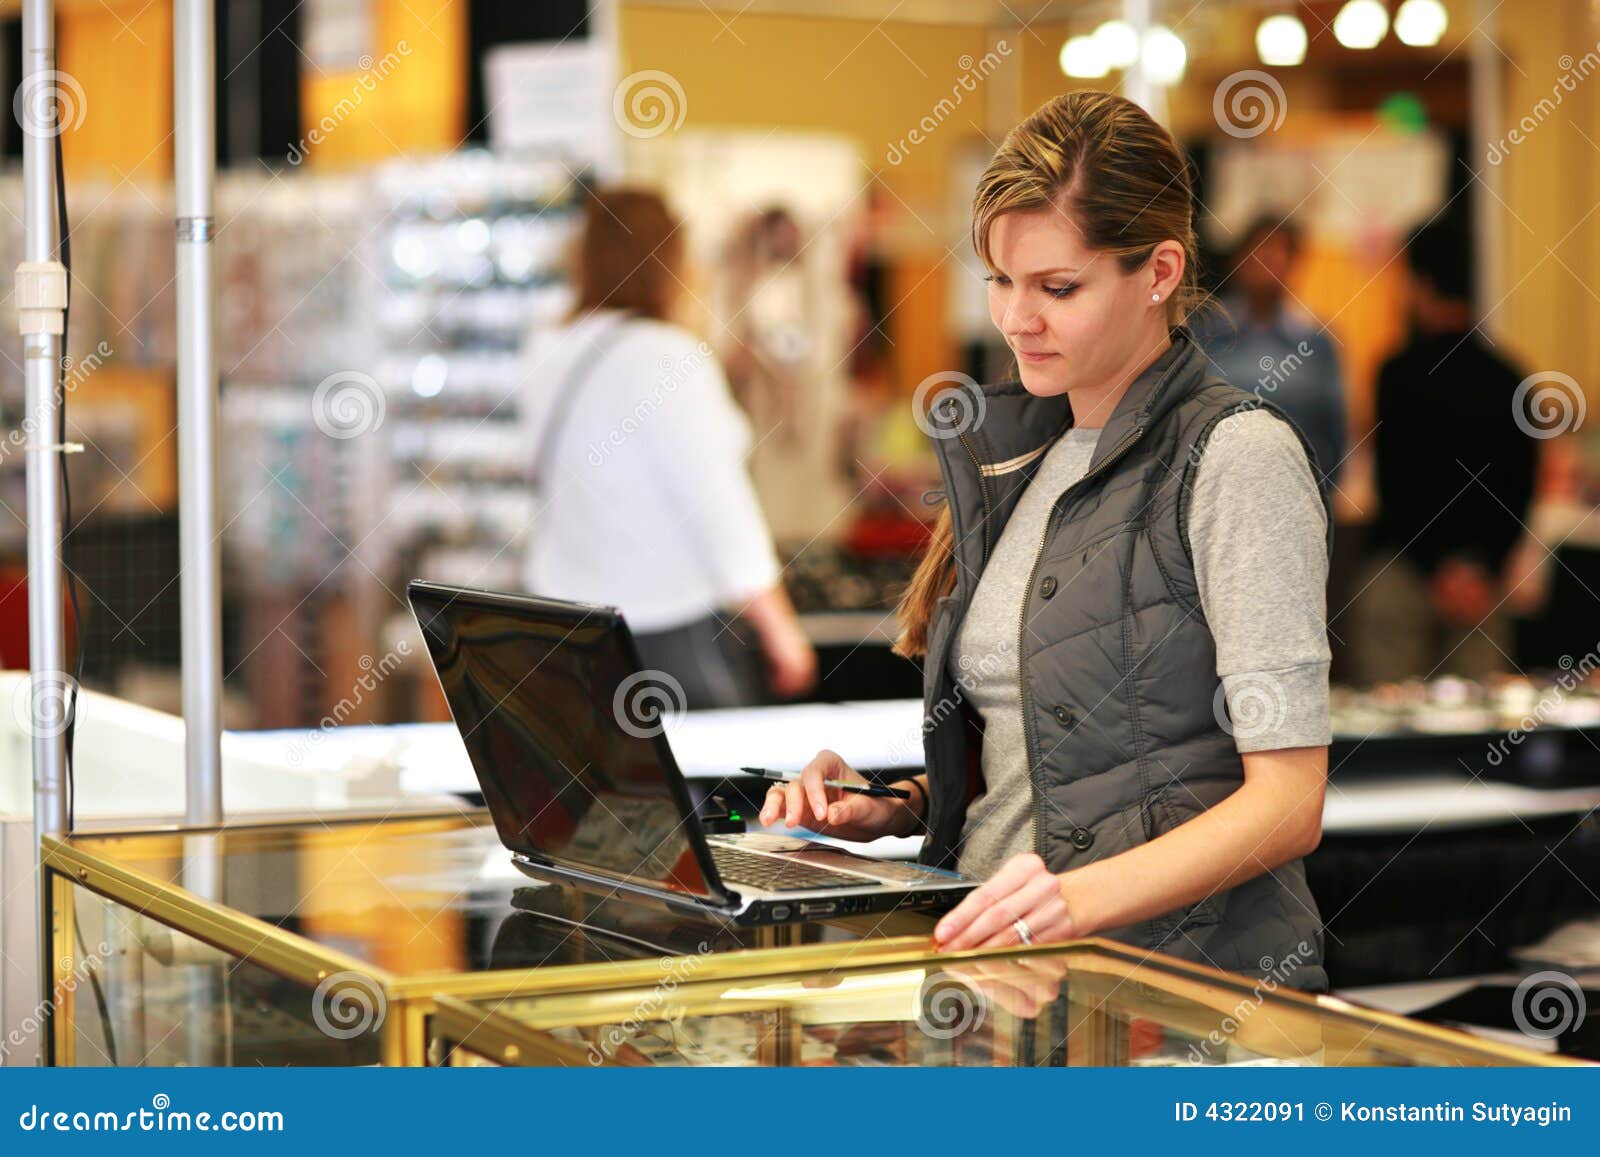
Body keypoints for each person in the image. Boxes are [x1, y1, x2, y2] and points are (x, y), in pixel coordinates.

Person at [760, 92, 1332, 991]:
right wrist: (896, 804)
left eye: (1057, 288)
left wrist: (1076, 900)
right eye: (999, 280)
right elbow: (1045, 760)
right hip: (1004, 986)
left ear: (1159, 271)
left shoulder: (1236, 458)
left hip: (1172, 1002)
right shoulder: (1019, 454)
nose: (1016, 319)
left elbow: (1289, 802)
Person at [519, 187, 816, 708]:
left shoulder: (547, 351)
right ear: (669, 261)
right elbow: (718, 505)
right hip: (668, 637)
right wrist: (780, 629)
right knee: (711, 787)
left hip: (567, 632)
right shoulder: (668, 357)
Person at [1350, 216, 1538, 684]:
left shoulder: (1396, 373)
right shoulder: (1510, 377)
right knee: (1481, 733)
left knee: (1393, 727)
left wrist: (1435, 568)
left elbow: (1392, 484)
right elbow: (1520, 489)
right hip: (1482, 587)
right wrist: (1481, 568)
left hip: (1405, 574)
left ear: (1421, 285)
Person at [1193, 215, 1348, 492]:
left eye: (1279, 252)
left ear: (1295, 264)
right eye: (1259, 250)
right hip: (1214, 485)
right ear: (1238, 260)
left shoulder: (1315, 340)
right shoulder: (1206, 330)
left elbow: (1335, 429)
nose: (1268, 262)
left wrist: (1322, 493)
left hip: (1294, 487)